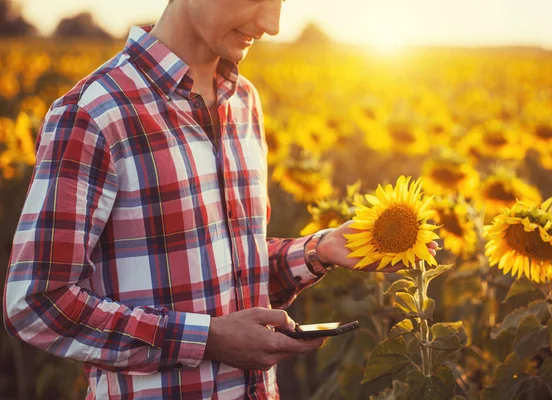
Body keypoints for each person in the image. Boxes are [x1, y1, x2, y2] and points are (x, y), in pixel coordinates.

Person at [2, 0, 438, 399]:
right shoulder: (95, 113)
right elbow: (37, 302)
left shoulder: (245, 102)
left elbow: (221, 271)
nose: (272, 24)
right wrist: (207, 338)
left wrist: (317, 251)